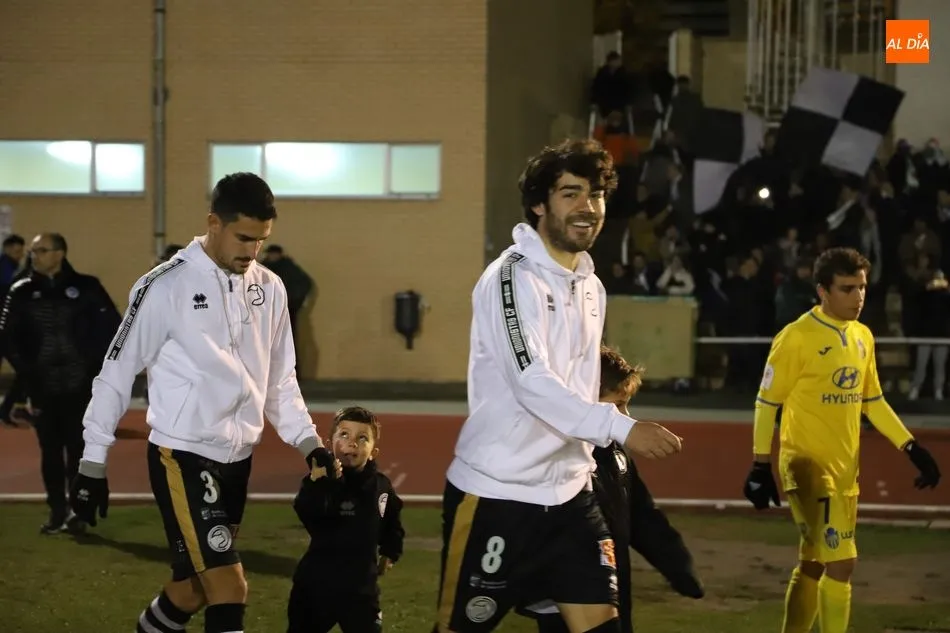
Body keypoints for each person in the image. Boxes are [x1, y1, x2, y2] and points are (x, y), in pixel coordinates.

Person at [68, 172, 341, 633]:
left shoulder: (270, 288)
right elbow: (115, 373)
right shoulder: (163, 286)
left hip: (237, 461)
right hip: (183, 456)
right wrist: (93, 461)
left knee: (192, 588)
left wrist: (308, 441)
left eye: (262, 240)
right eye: (244, 237)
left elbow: (279, 379)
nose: (252, 251)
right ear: (214, 223)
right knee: (228, 587)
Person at [433, 138, 683, 633]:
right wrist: (618, 428)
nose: (587, 207)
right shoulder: (510, 278)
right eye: (570, 194)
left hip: (571, 496)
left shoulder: (590, 286)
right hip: (497, 496)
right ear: (538, 204)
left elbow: (580, 384)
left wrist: (609, 424)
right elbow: (532, 381)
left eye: (596, 195)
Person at [743, 247, 941, 633]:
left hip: (845, 468)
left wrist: (912, 447)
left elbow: (873, 401)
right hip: (806, 466)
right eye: (848, 288)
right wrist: (760, 463)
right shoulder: (796, 337)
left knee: (814, 563)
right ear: (822, 291)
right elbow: (767, 402)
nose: (859, 297)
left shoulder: (863, 337)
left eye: (863, 287)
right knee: (842, 563)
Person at [520, 346, 704, 633]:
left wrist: (677, 564)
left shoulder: (616, 450)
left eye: (627, 405)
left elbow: (642, 515)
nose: (626, 416)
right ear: (583, 399)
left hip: (613, 586)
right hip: (564, 594)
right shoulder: (555, 455)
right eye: (617, 406)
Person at [0, 233, 121, 533]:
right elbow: (7, 336)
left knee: (79, 450)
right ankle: (57, 510)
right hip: (42, 388)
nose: (34, 255)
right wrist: (28, 371)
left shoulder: (87, 287)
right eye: (33, 251)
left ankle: (79, 512)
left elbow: (113, 327)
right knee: (50, 451)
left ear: (59, 253)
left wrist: (95, 366)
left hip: (82, 386)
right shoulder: (21, 291)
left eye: (41, 250)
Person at [287, 405, 405, 633]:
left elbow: (392, 520)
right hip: (316, 587)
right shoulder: (319, 481)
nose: (352, 443)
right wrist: (319, 485)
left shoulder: (381, 486)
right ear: (330, 443)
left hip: (362, 590)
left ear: (373, 451)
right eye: (344, 435)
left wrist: (391, 551)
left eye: (362, 438)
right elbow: (307, 513)